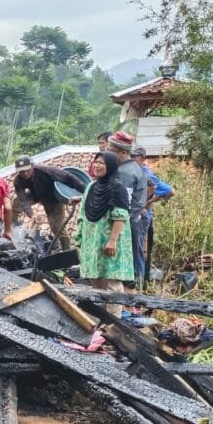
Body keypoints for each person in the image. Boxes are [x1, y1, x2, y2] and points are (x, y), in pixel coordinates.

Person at [75, 151, 134, 315]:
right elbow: (82, 213)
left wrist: (112, 240)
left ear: (111, 166)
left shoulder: (118, 188)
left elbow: (120, 216)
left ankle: (114, 321)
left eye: (102, 163)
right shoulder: (91, 187)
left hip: (109, 240)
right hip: (92, 241)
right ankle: (101, 319)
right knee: (96, 281)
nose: (97, 165)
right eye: (96, 162)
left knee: (111, 283)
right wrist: (80, 236)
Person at [13, 155, 85, 250]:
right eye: (22, 172)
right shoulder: (18, 180)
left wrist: (86, 190)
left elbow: (68, 177)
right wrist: (31, 214)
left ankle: (67, 251)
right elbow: (23, 200)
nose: (25, 174)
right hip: (36, 194)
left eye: (27, 170)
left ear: (32, 166)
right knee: (16, 202)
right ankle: (12, 229)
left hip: (53, 198)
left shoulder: (45, 170)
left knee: (56, 227)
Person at [106, 131, 148, 288]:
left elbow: (122, 206)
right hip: (130, 220)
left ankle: (129, 298)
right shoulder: (127, 168)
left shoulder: (126, 173)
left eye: (110, 150)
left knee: (124, 267)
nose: (107, 153)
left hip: (126, 223)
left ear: (123, 152)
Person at [132, 147, 175, 288]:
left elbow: (170, 191)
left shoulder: (145, 173)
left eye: (135, 157)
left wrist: (149, 202)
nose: (132, 160)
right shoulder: (134, 171)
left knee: (137, 249)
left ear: (143, 158)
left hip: (142, 217)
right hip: (137, 214)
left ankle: (138, 283)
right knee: (135, 248)